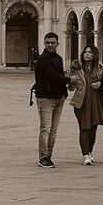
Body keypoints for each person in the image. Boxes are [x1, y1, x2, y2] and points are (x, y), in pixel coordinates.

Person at [32, 32, 69, 168]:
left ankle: (49, 155)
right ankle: (43, 157)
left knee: (53, 130)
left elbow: (60, 75)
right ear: (44, 43)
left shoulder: (58, 58)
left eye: (53, 42)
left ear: (57, 43)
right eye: (47, 42)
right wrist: (70, 80)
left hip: (59, 98)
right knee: (45, 128)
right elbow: (53, 76)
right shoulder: (42, 60)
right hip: (45, 98)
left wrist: (64, 94)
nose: (50, 45)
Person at [69, 45, 103, 166]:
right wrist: (71, 77)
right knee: (84, 128)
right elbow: (71, 88)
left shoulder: (99, 68)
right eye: (85, 52)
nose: (87, 54)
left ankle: (89, 152)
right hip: (81, 102)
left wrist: (100, 83)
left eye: (89, 52)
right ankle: (85, 155)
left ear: (95, 55)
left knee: (93, 128)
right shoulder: (78, 68)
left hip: (96, 101)